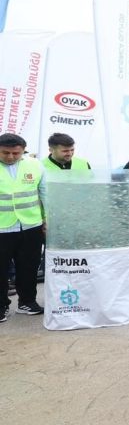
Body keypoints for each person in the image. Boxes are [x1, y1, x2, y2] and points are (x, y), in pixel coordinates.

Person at [0, 133, 45, 319]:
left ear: (23, 151)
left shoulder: (35, 164)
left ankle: (27, 302)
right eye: (5, 153)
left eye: (15, 153)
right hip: (2, 228)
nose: (11, 157)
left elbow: (44, 193)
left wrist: (47, 219)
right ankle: (1, 306)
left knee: (29, 267)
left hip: (30, 225)